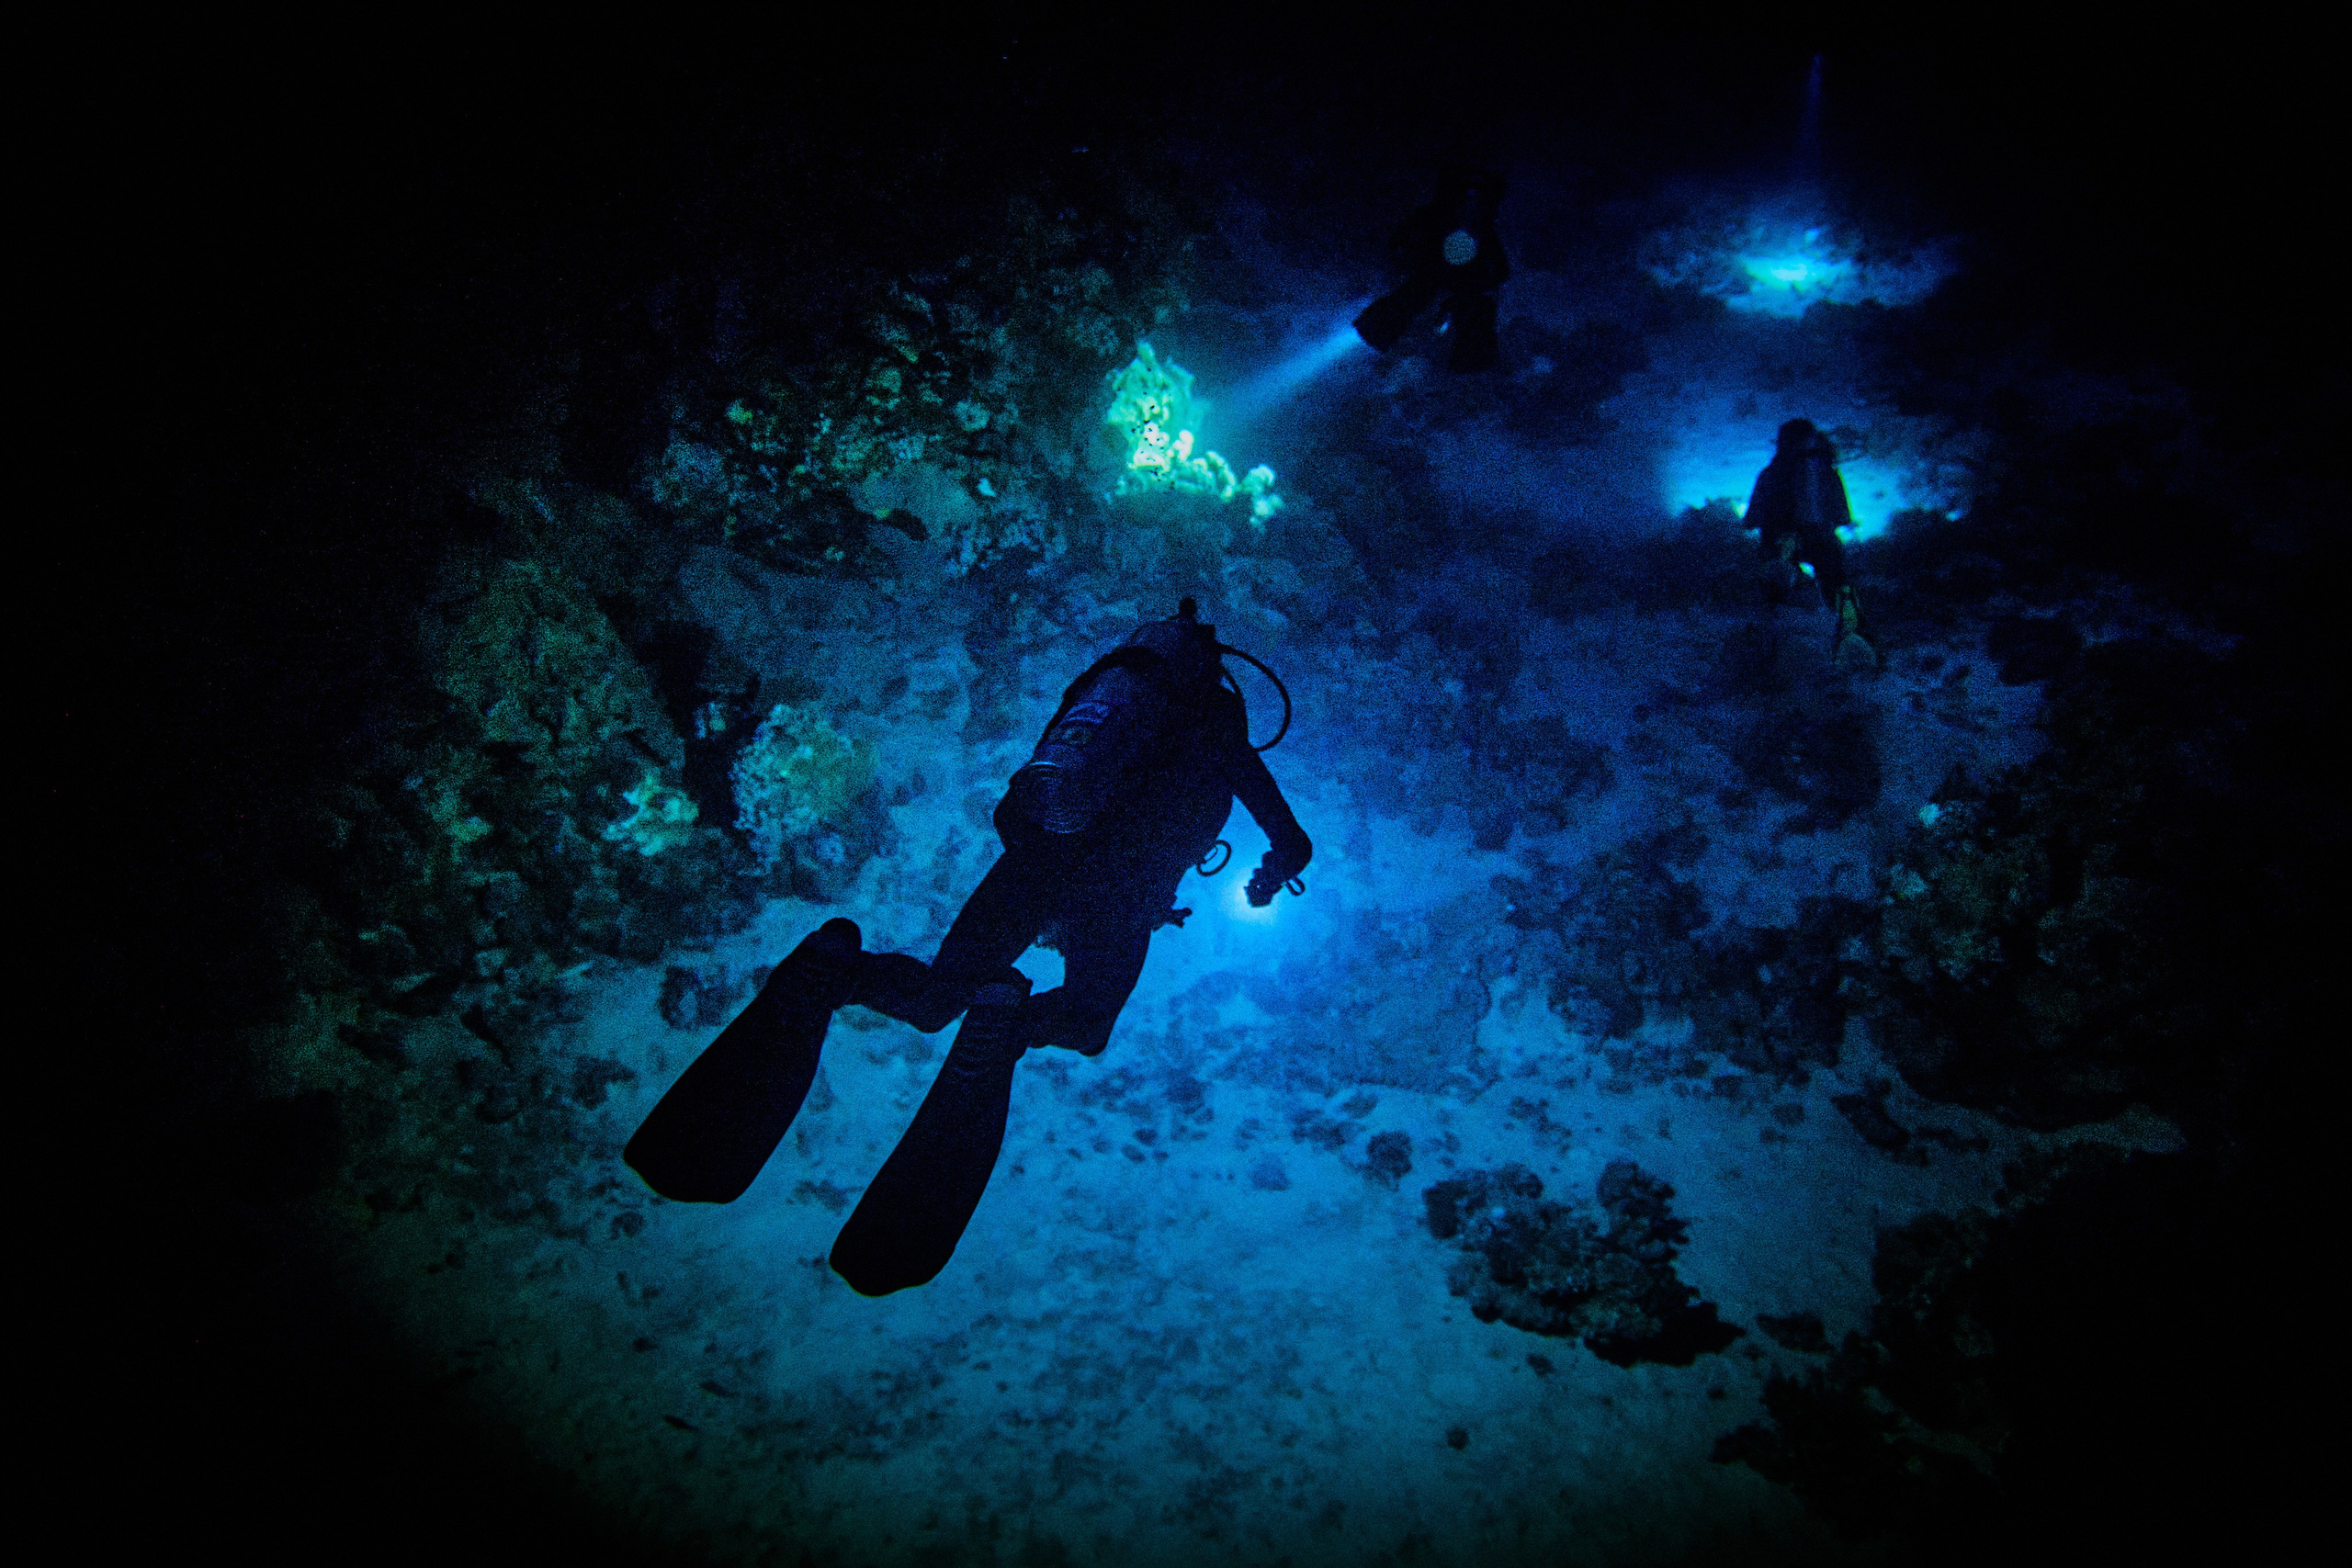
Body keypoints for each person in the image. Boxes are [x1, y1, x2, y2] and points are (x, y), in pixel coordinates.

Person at [624, 599, 1314, 1294]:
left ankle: (835, 972)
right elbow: (1284, 831)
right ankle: (1002, 1023)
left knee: (930, 998)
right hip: (1121, 895)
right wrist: (1279, 862)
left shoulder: (1104, 694)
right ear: (1213, 673)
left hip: (1036, 861)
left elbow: (1042, 792)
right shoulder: (1213, 716)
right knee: (1083, 1021)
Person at [1352, 164, 1510, 373]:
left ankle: (1471, 364)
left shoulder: (1445, 216)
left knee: (1419, 297)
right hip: (1449, 266)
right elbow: (1499, 268)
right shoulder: (1456, 219)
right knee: (1429, 299)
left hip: (1447, 266)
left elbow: (1406, 234)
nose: (1470, 204)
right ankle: (1471, 364)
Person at [1747, 419, 1876, 669]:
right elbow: (1842, 515)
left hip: (1783, 540)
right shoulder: (1825, 472)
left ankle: (1775, 647)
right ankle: (1852, 638)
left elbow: (1753, 517)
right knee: (1838, 585)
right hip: (1820, 538)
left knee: (1777, 591)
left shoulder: (1773, 473)